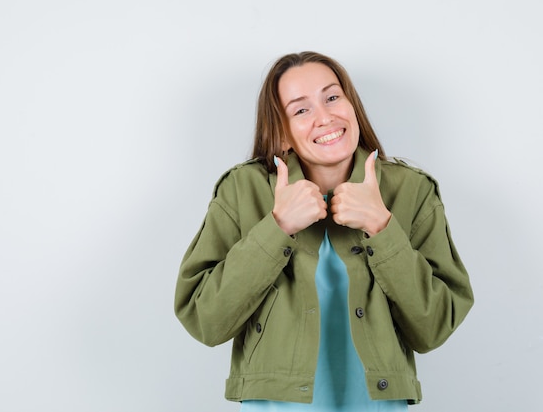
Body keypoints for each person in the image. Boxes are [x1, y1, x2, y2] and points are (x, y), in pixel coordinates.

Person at [174, 51, 473, 411]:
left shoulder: (412, 191)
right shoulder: (243, 190)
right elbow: (204, 320)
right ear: (281, 128)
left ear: (352, 105)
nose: (325, 117)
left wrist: (381, 226)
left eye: (332, 97)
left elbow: (435, 326)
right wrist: (278, 227)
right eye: (301, 109)